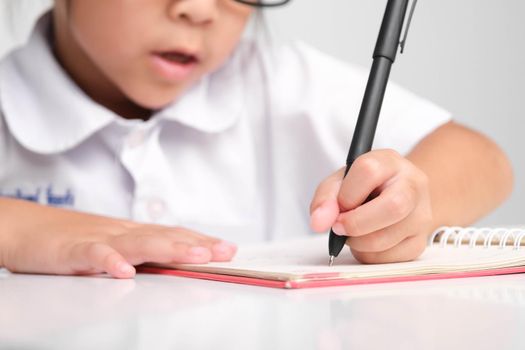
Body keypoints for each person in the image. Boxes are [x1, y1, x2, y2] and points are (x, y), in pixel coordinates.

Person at [0, 0, 513, 278]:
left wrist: (406, 204)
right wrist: (18, 228)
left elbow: (482, 159)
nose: (199, 10)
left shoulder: (279, 82)